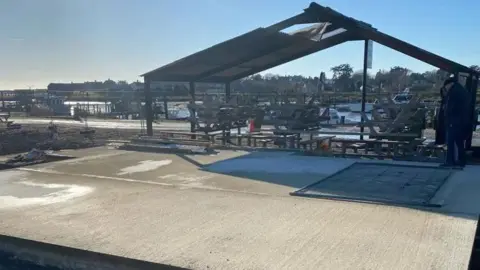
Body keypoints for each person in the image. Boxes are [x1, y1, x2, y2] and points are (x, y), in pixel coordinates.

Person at [441, 77, 469, 167]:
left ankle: (450, 161)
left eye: (446, 87)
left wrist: (446, 111)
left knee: (451, 141)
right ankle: (461, 160)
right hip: (461, 121)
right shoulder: (461, 90)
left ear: (449, 84)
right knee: (459, 142)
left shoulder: (454, 92)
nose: (446, 89)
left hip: (454, 120)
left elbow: (451, 106)